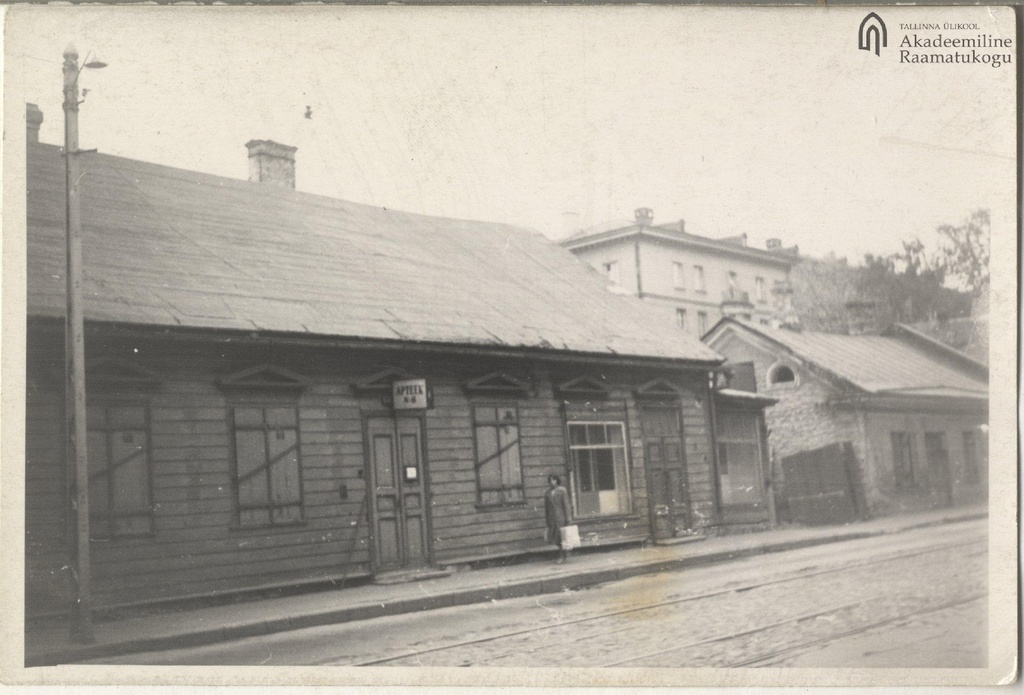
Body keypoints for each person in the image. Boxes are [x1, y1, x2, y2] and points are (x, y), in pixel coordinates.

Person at [544, 474, 573, 564]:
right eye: (550, 480)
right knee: (554, 538)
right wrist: (547, 519)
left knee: (562, 538)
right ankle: (565, 553)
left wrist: (568, 518)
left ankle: (562, 556)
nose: (552, 482)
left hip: (561, 517)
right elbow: (546, 508)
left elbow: (566, 505)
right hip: (552, 518)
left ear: (557, 480)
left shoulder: (562, 490)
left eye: (554, 480)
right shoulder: (548, 492)